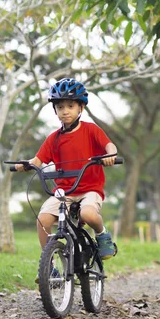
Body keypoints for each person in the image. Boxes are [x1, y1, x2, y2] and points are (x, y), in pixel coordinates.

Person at [15, 77, 118, 277]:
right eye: (60, 107)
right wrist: (26, 165)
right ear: (55, 110)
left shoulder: (91, 130)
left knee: (88, 215)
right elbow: (38, 159)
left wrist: (110, 155)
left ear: (81, 107)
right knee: (43, 219)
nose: (65, 111)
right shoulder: (53, 138)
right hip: (65, 192)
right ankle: (49, 265)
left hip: (89, 189)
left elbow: (109, 146)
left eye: (70, 106)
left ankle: (102, 234)